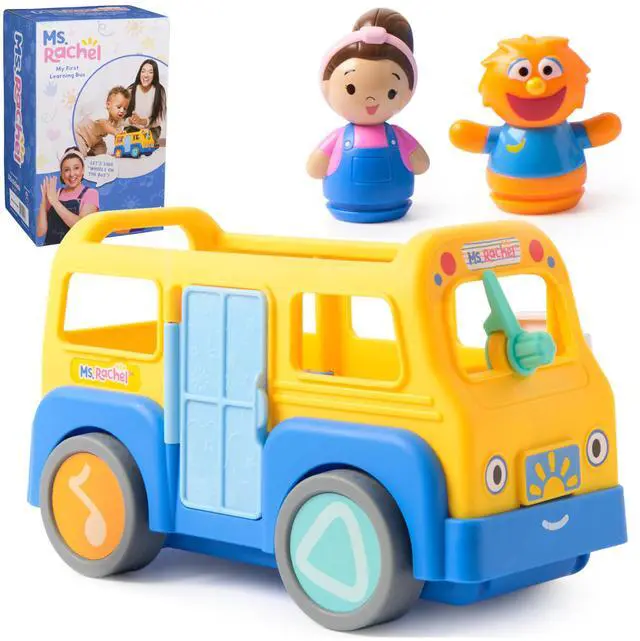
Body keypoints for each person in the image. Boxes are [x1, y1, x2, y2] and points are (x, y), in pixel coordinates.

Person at [307, 8, 429, 223]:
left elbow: (422, 164)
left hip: (396, 206)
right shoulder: (339, 138)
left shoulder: (397, 137)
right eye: (350, 88)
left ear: (408, 91)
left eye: (391, 92)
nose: (372, 100)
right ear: (326, 86)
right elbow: (314, 167)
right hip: (343, 207)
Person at [37, 147, 99, 245]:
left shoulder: (90, 193)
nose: (72, 174)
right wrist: (44, 201)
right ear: (61, 174)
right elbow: (40, 232)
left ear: (83, 170)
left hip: (74, 250)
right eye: (66, 170)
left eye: (76, 168)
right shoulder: (55, 194)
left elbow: (82, 227)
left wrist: (55, 202)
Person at [75, 86, 130, 156]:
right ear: (108, 105)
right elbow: (103, 123)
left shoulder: (117, 120)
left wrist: (131, 122)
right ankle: (74, 151)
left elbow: (124, 124)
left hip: (95, 139)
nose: (122, 111)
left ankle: (91, 154)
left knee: (102, 149)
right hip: (81, 134)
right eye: (119, 107)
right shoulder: (103, 112)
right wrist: (116, 132)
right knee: (81, 152)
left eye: (125, 109)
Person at [124, 59, 167, 145]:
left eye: (150, 72)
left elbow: (159, 119)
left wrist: (142, 121)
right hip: (132, 128)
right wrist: (130, 120)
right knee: (129, 146)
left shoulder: (159, 91)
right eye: (143, 71)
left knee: (144, 145)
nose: (146, 75)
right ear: (139, 73)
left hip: (151, 130)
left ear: (155, 75)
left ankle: (154, 143)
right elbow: (121, 117)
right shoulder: (131, 90)